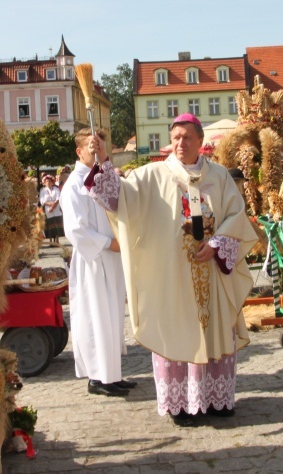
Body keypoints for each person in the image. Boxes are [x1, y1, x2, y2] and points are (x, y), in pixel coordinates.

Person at [85, 113, 258, 426]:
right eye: (176, 137)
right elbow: (118, 200)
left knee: (216, 328)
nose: (181, 143)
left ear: (200, 141)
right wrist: (104, 159)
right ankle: (181, 405)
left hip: (212, 272)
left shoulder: (218, 176)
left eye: (187, 137)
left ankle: (216, 400)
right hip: (172, 275)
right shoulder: (152, 175)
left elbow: (237, 214)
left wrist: (218, 244)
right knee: (176, 330)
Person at [59, 128, 135, 398]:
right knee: (96, 317)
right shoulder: (73, 186)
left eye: (99, 147)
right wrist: (108, 243)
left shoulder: (102, 177)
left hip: (112, 257)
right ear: (79, 151)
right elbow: (76, 230)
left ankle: (112, 375)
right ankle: (97, 378)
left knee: (113, 317)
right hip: (94, 260)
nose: (95, 152)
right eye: (91, 148)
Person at [39, 174, 65, 244]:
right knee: (50, 225)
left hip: (56, 209)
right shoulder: (43, 191)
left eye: (49, 181)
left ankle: (57, 240)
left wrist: (53, 206)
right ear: (44, 182)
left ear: (52, 182)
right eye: (47, 181)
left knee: (57, 224)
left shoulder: (56, 189)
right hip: (48, 210)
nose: (48, 183)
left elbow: (58, 198)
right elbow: (42, 201)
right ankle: (50, 241)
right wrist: (50, 205)